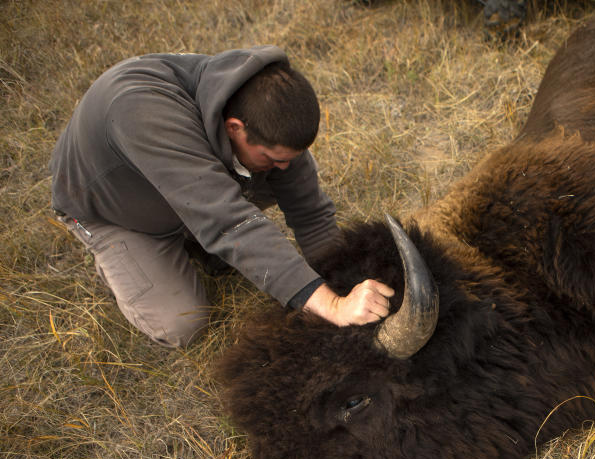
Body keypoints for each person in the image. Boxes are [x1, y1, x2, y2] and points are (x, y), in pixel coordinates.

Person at [49, 46, 393, 348]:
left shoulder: (266, 110)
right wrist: (330, 307)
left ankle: (197, 239)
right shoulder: (142, 114)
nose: (285, 167)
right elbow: (231, 224)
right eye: (275, 159)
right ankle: (121, 259)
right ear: (234, 129)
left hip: (194, 189)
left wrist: (344, 284)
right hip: (119, 213)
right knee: (183, 323)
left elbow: (312, 215)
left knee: (276, 176)